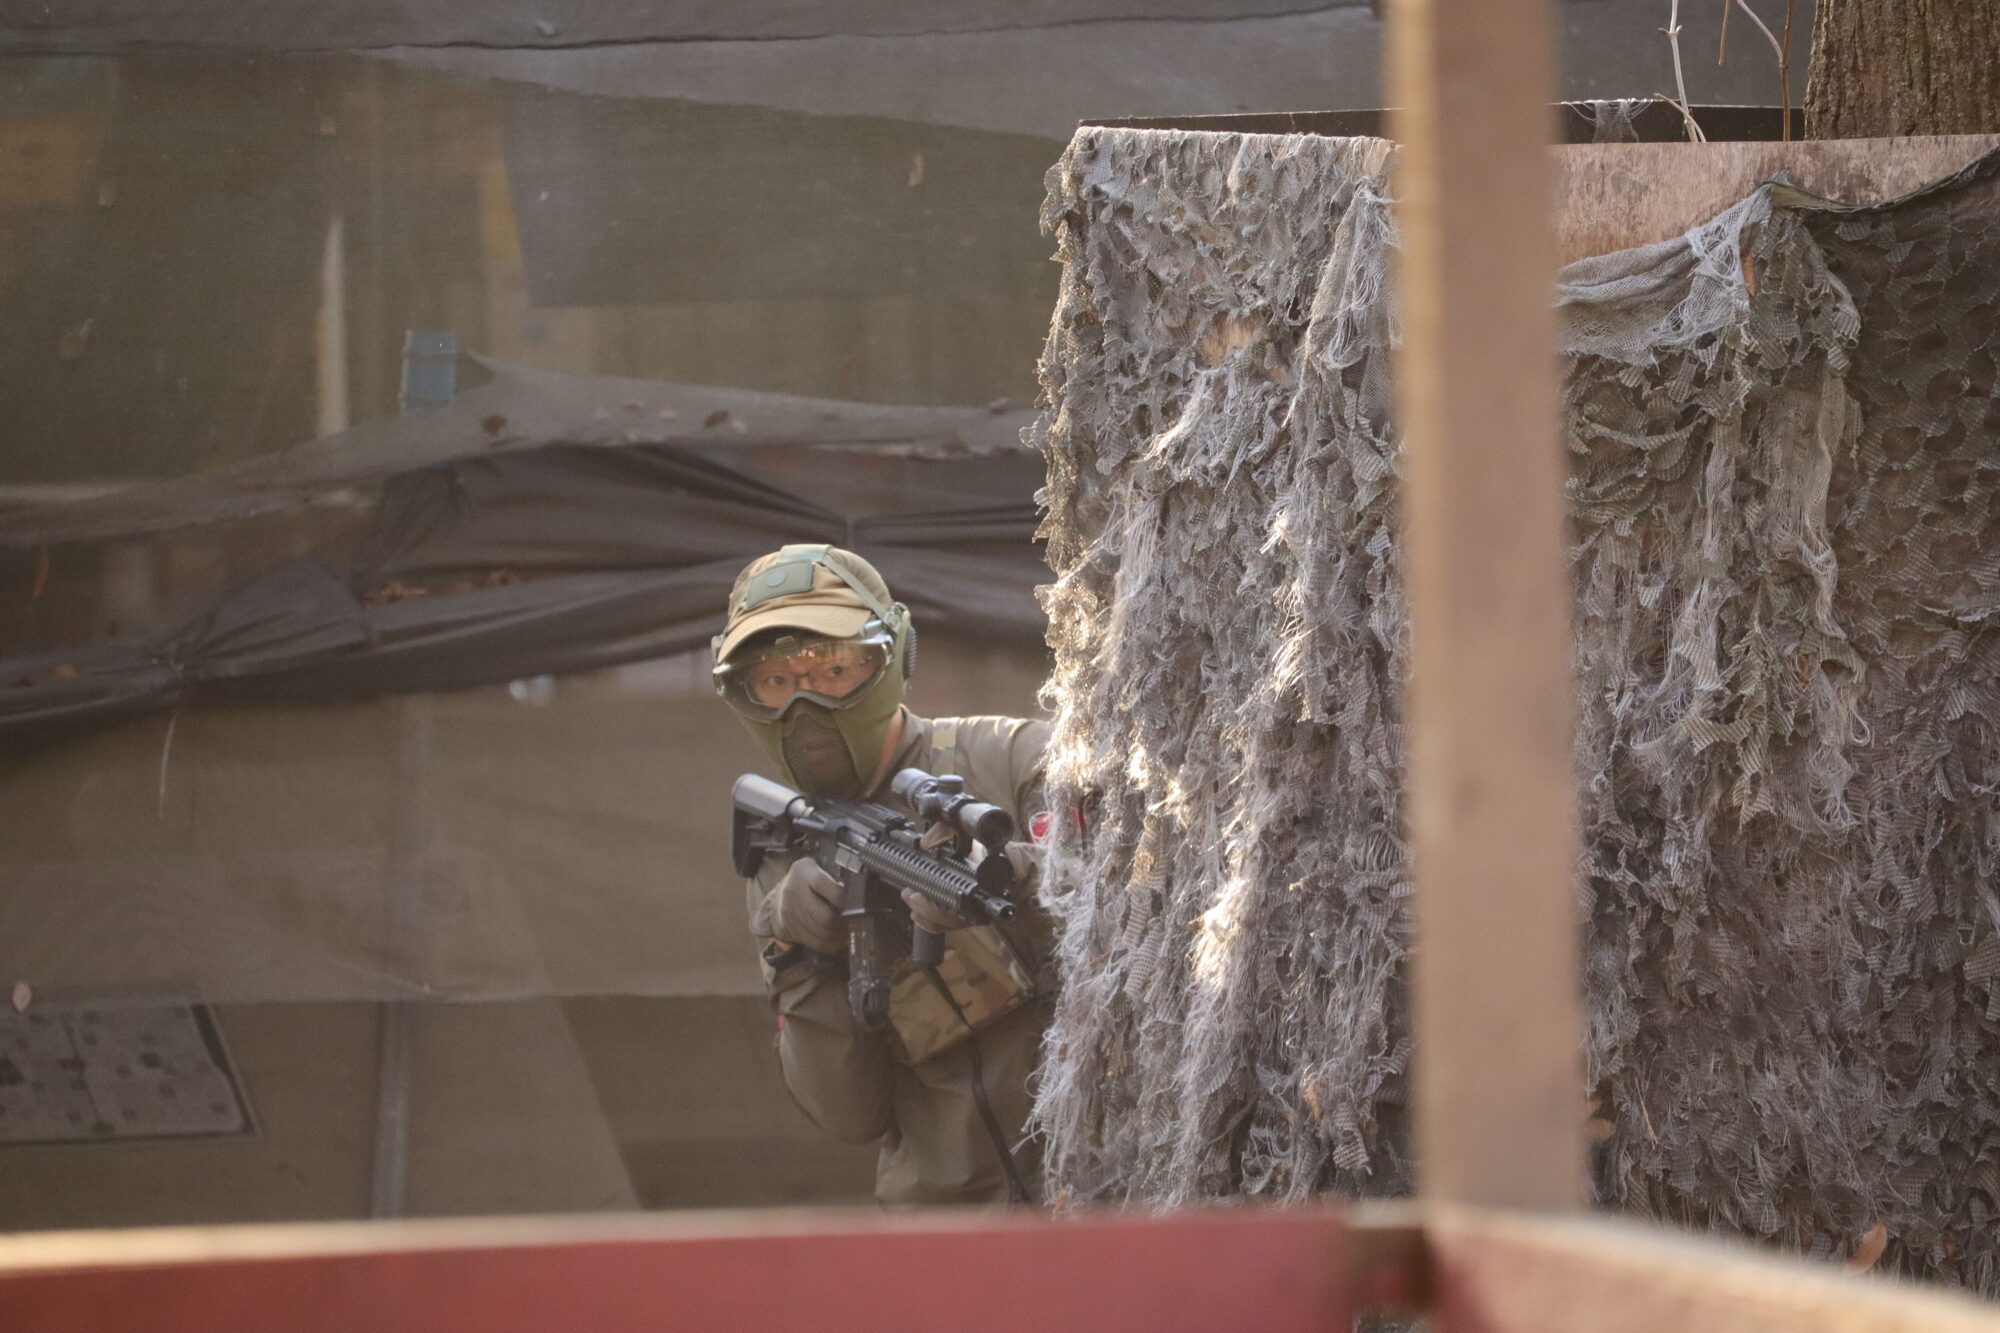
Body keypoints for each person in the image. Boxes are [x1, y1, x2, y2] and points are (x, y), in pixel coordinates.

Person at [711, 543, 1053, 1206]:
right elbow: (847, 1115)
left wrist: (1009, 874)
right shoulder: (785, 856)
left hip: (1110, 1194)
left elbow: (1150, 899)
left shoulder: (1014, 760)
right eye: (775, 682)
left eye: (835, 669)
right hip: (947, 1229)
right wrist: (803, 958)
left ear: (895, 658)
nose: (804, 705)